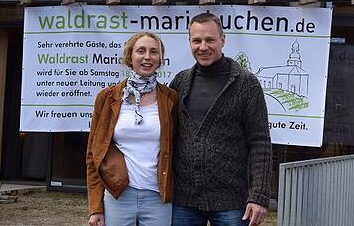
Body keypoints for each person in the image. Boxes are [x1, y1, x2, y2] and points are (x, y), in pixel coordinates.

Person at [171, 12, 272, 226]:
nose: (203, 46)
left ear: (223, 40)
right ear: (189, 42)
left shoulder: (246, 84)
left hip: (232, 202)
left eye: (210, 39)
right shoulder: (180, 82)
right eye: (196, 40)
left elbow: (260, 142)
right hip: (184, 200)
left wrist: (259, 195)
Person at [86, 32, 178, 226]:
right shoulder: (107, 97)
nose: (147, 57)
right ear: (130, 57)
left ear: (160, 59)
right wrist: (95, 208)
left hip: (157, 196)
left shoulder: (170, 98)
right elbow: (93, 154)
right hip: (118, 194)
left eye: (154, 52)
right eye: (141, 51)